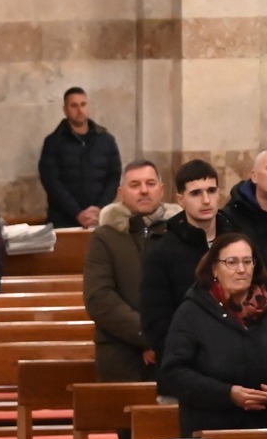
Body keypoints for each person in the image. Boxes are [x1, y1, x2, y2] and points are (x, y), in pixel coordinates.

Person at [157, 234, 267, 434]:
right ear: (214, 269)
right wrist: (228, 394)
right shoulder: (192, 312)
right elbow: (173, 373)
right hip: (210, 430)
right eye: (231, 262)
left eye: (247, 261)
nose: (241, 269)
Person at [83, 160, 177, 381]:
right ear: (121, 192)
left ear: (161, 189)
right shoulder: (105, 237)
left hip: (174, 351)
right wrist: (148, 335)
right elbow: (99, 298)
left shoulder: (179, 233)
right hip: (120, 352)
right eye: (135, 185)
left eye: (150, 183)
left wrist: (168, 338)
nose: (144, 190)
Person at [141, 159, 228, 360]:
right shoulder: (162, 252)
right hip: (188, 360)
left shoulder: (238, 242)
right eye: (196, 193)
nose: (206, 200)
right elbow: (156, 320)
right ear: (181, 199)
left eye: (211, 191)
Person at [36, 86, 120, 228]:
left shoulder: (106, 140)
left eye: (83, 104)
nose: (80, 110)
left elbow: (114, 177)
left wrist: (99, 209)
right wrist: (77, 213)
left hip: (99, 219)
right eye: (74, 106)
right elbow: (51, 182)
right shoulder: (53, 142)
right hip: (63, 220)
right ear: (65, 109)